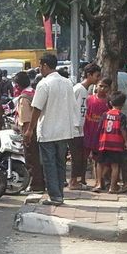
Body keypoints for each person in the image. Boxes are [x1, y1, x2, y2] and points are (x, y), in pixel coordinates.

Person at [29, 53, 76, 206]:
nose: (39, 69)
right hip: (64, 130)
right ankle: (59, 194)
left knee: (49, 164)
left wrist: (30, 130)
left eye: (40, 66)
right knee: (60, 163)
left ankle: (55, 196)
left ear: (45, 65)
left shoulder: (44, 84)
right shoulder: (67, 82)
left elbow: (36, 108)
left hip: (48, 131)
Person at [70, 63, 101, 190]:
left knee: (80, 156)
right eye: (96, 76)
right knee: (76, 156)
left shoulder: (83, 90)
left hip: (80, 128)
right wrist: (78, 127)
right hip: (76, 128)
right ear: (89, 75)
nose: (98, 79)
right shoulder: (79, 89)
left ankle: (77, 179)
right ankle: (73, 181)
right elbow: (76, 109)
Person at [14, 71, 45, 194]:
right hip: (38, 129)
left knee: (31, 159)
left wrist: (27, 134)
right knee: (38, 158)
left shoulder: (24, 98)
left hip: (30, 132)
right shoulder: (34, 93)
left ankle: (35, 185)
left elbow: (26, 119)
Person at [94, 92, 127, 194]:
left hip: (104, 142)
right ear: (122, 104)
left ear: (110, 102)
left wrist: (97, 141)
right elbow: (123, 130)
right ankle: (112, 187)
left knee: (100, 164)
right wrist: (126, 141)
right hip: (116, 144)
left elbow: (99, 128)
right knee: (115, 166)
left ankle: (99, 184)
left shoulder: (105, 114)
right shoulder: (121, 116)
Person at [83, 77, 112, 187]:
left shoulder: (109, 102)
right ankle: (83, 179)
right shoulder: (89, 99)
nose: (102, 89)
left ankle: (100, 180)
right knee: (85, 157)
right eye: (101, 86)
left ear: (109, 89)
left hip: (102, 135)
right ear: (96, 86)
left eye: (105, 87)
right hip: (89, 131)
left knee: (101, 160)